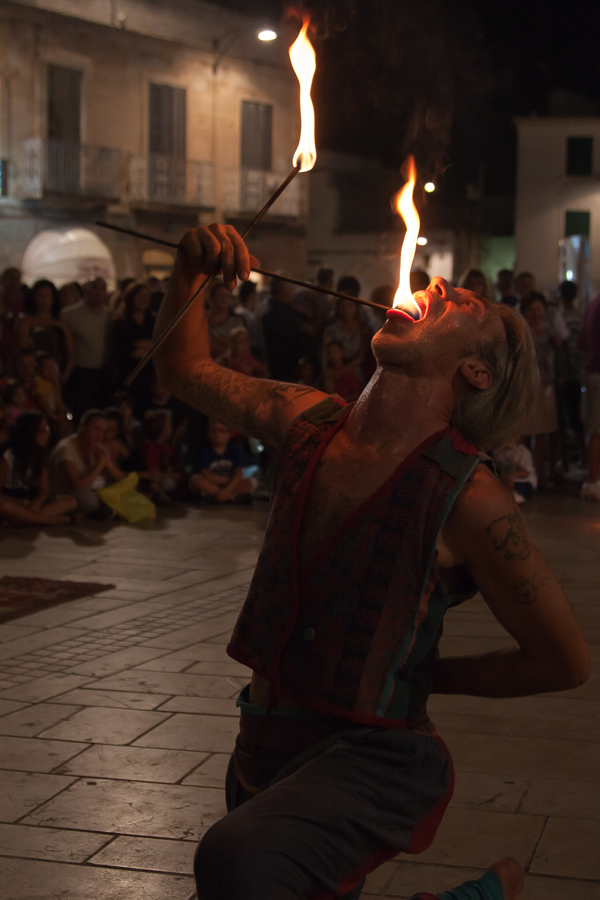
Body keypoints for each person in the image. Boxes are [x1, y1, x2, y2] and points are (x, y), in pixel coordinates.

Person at [154, 224, 589, 900]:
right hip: (265, 743)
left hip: (373, 761)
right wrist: (189, 275)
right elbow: (183, 372)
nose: (436, 287)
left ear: (474, 371)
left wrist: (424, 677)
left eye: (466, 304)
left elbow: (562, 660)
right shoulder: (306, 418)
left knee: (236, 862)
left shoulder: (471, 497)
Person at [0, 411, 77, 525]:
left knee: (71, 501)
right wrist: (21, 502)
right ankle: (52, 521)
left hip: (29, 499)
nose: (48, 433)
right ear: (31, 433)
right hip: (12, 499)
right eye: (43, 430)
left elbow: (44, 490)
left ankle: (21, 521)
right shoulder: (8, 456)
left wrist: (38, 501)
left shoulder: (40, 453)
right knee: (5, 507)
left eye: (48, 429)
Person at [520, 291, 561, 488]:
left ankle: (543, 473)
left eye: (539, 309)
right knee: (529, 431)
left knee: (545, 432)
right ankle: (532, 475)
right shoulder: (523, 332)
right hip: (531, 388)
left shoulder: (550, 332)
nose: (536, 313)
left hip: (547, 387)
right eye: (532, 309)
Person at [49, 409, 124, 516]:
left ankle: (101, 509)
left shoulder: (95, 447)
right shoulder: (66, 449)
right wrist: (100, 464)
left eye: (103, 431)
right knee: (89, 501)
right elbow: (77, 485)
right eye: (96, 429)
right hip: (64, 493)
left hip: (86, 489)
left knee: (117, 488)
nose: (99, 435)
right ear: (82, 427)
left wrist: (106, 462)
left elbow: (117, 476)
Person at [62, 277, 112, 421]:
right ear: (86, 290)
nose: (99, 292)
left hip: (103, 373)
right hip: (81, 374)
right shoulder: (70, 315)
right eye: (95, 287)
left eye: (103, 288)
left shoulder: (110, 316)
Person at [110, 281, 155, 416]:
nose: (143, 299)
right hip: (128, 372)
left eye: (146, 296)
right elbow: (125, 349)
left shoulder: (153, 321)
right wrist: (149, 347)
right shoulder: (122, 321)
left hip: (149, 373)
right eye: (139, 295)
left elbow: (160, 345)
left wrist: (137, 344)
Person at [17, 279, 75, 382]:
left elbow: (71, 353)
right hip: (33, 375)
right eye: (40, 296)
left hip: (57, 373)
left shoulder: (61, 323)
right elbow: (23, 350)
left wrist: (65, 374)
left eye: (48, 296)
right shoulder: (26, 321)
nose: (44, 300)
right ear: (33, 298)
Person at [555, 281, 585, 470]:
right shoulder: (581, 316)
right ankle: (583, 456)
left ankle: (563, 460)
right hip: (578, 372)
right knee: (576, 418)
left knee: (562, 418)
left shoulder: (559, 317)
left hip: (563, 373)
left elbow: (561, 346)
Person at [189, 418, 256, 503]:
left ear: (229, 434)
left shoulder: (235, 450)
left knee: (252, 482)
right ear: (208, 432)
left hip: (228, 484)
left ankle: (214, 496)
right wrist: (228, 484)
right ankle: (231, 497)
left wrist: (227, 489)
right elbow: (206, 475)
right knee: (196, 481)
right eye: (213, 431)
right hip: (211, 482)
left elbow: (238, 474)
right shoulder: (204, 450)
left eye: (222, 431)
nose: (217, 434)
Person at [579, 289, 600, 500]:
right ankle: (593, 481)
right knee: (596, 429)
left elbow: (582, 340)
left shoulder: (593, 304)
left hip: (593, 370)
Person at [140, 409, 181, 504]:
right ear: (164, 429)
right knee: (167, 482)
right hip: (146, 481)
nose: (172, 427)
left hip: (159, 477)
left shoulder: (166, 446)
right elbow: (152, 473)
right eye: (169, 425)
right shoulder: (150, 447)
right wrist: (170, 475)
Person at [206, 281, 244, 359]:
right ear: (212, 298)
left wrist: (213, 342)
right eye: (220, 295)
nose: (224, 299)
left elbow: (240, 347)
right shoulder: (202, 318)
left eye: (227, 295)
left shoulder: (236, 322)